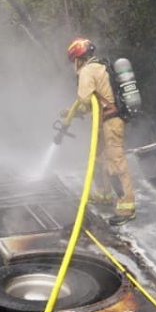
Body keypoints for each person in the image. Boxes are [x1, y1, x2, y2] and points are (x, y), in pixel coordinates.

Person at [60, 37, 137, 226]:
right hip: (105, 121)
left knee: (116, 161)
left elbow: (85, 99)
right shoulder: (100, 66)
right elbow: (93, 103)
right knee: (98, 157)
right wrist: (71, 113)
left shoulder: (87, 71)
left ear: (78, 58)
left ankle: (127, 207)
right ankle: (103, 193)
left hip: (111, 122)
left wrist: (75, 111)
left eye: (73, 61)